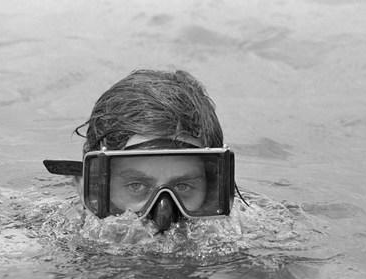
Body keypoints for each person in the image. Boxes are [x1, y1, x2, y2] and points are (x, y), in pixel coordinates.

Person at [44, 69, 245, 232]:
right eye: (136, 186)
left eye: (183, 187)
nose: (163, 218)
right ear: (86, 188)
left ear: (213, 191)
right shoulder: (37, 241)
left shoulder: (252, 235)